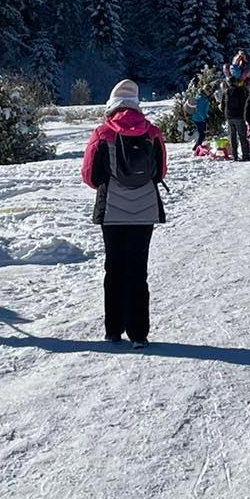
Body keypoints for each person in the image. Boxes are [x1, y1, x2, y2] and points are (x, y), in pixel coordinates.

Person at [81, 78, 167, 345]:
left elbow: (89, 176)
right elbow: (160, 171)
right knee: (138, 271)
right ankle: (139, 333)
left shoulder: (102, 133)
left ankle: (113, 330)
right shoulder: (152, 132)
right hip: (145, 211)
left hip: (113, 212)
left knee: (114, 269)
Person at [224, 75, 249, 160]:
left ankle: (235, 155)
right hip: (238, 115)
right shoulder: (240, 90)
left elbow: (223, 104)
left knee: (233, 136)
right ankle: (245, 155)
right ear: (235, 82)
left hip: (229, 116)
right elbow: (244, 102)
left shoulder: (226, 91)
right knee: (242, 136)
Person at [191, 85, 213, 154]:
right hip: (198, 118)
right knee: (202, 134)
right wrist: (205, 118)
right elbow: (200, 110)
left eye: (210, 91)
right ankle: (197, 148)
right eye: (208, 91)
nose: (210, 92)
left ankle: (196, 147)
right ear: (205, 90)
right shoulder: (201, 98)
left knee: (202, 134)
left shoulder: (203, 97)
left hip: (200, 118)